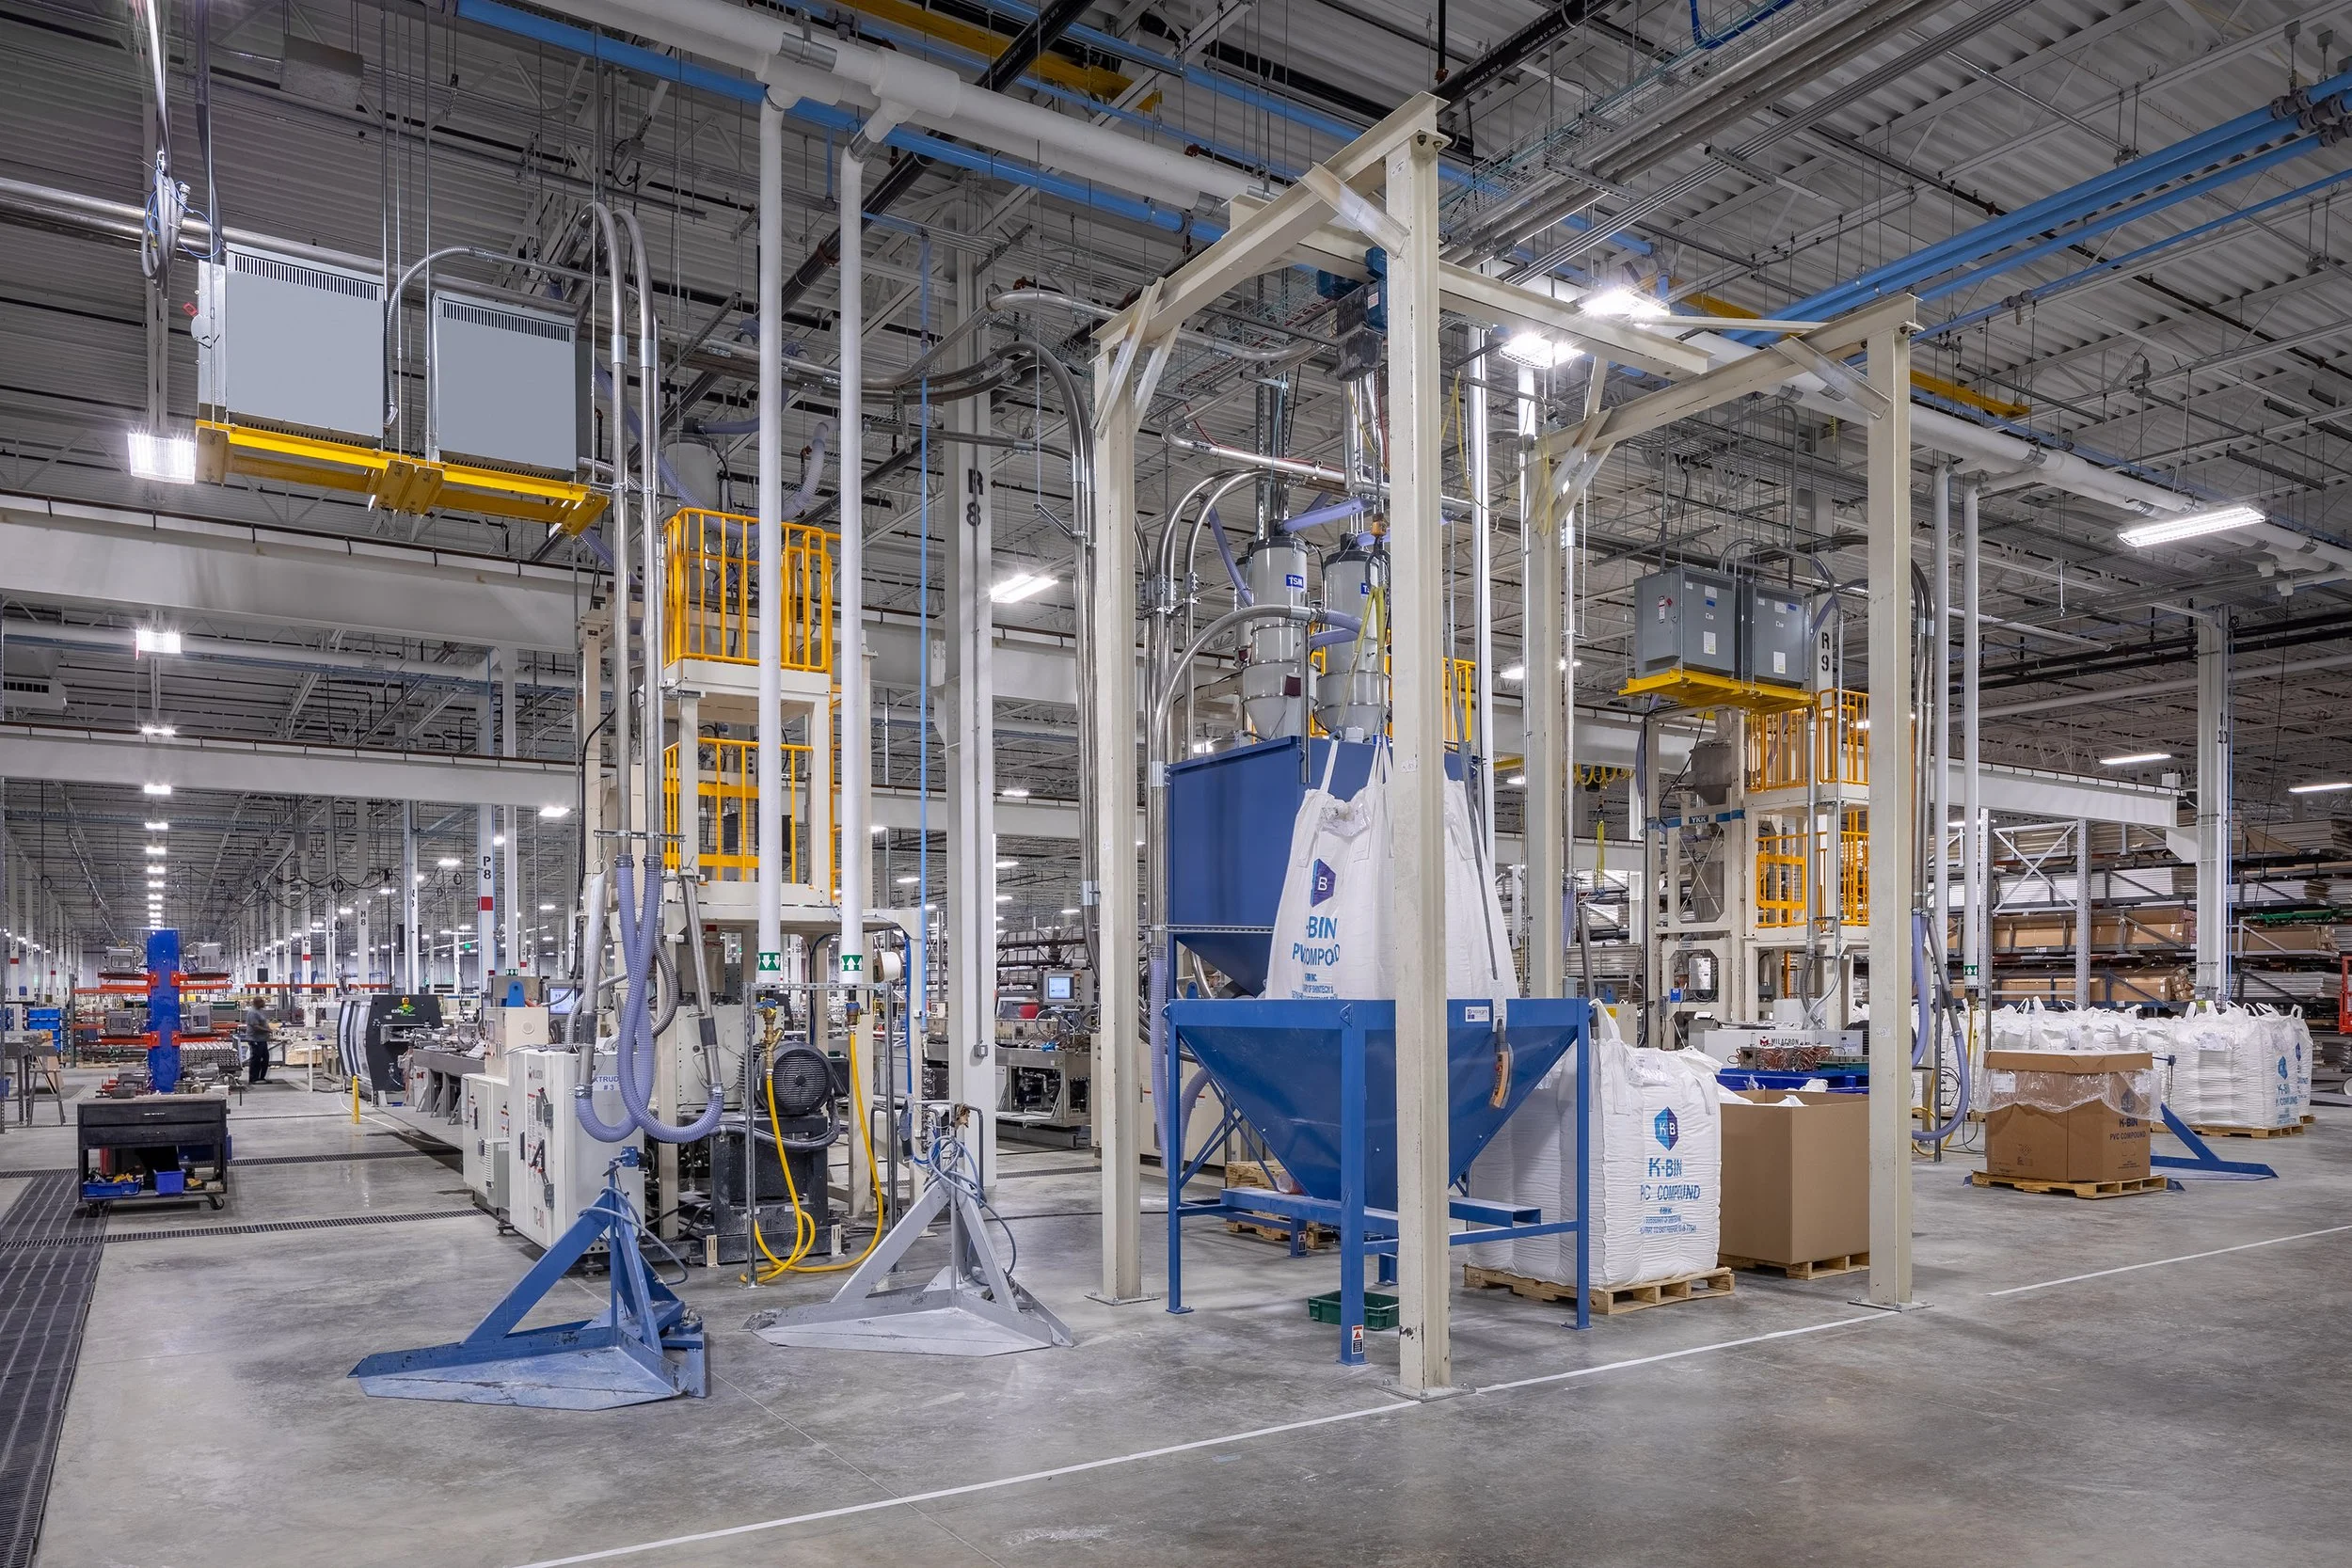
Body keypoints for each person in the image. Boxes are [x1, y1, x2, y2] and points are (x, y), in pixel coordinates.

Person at [243, 1002, 273, 1084]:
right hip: (255, 1039)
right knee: (256, 1059)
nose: (264, 1003)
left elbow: (262, 1023)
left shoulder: (259, 1011)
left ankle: (261, 1077)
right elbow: (255, 1027)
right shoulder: (252, 1012)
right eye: (262, 1002)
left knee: (265, 1058)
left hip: (262, 1039)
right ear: (258, 1003)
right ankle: (253, 1078)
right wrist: (268, 1030)